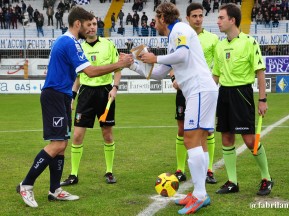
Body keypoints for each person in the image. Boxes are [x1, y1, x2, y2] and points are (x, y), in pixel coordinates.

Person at [16, 6, 133, 208]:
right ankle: (26, 184)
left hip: (62, 96)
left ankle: (55, 190)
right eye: (87, 25)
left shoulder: (72, 43)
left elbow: (80, 73)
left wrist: (71, 96)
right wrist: (119, 64)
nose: (90, 29)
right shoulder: (69, 42)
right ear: (77, 23)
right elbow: (90, 72)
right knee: (58, 145)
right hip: (54, 95)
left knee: (62, 146)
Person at [130, 2, 218, 214]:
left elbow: (183, 55)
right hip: (201, 90)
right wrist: (132, 64)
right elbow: (160, 72)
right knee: (199, 140)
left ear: (162, 17)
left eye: (156, 18)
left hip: (199, 89)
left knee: (190, 139)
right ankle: (200, 193)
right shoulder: (175, 36)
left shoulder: (179, 29)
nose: (154, 23)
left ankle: (199, 195)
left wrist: (155, 57)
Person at [213, 3, 273, 196]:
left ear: (232, 20)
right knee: (227, 137)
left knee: (249, 140)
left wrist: (262, 99)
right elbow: (215, 75)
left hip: (242, 94)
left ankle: (267, 178)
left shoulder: (249, 42)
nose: (218, 21)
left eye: (221, 18)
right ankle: (232, 182)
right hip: (224, 94)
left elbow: (260, 72)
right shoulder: (220, 46)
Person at [60, 17, 121, 186]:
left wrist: (115, 87)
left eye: (95, 24)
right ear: (83, 27)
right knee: (77, 135)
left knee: (107, 134)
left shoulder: (108, 45)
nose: (92, 27)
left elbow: (117, 68)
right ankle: (73, 174)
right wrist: (72, 96)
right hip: (85, 93)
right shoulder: (78, 47)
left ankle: (109, 171)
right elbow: (78, 77)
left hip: (105, 92)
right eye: (89, 25)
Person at [172, 2, 219, 184]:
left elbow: (218, 64)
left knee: (206, 132)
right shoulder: (180, 36)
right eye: (194, 16)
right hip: (185, 89)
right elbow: (173, 62)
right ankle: (180, 169)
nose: (198, 19)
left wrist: (212, 84)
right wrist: (173, 79)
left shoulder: (213, 39)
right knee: (182, 129)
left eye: (201, 16)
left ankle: (208, 170)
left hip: (203, 90)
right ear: (188, 18)